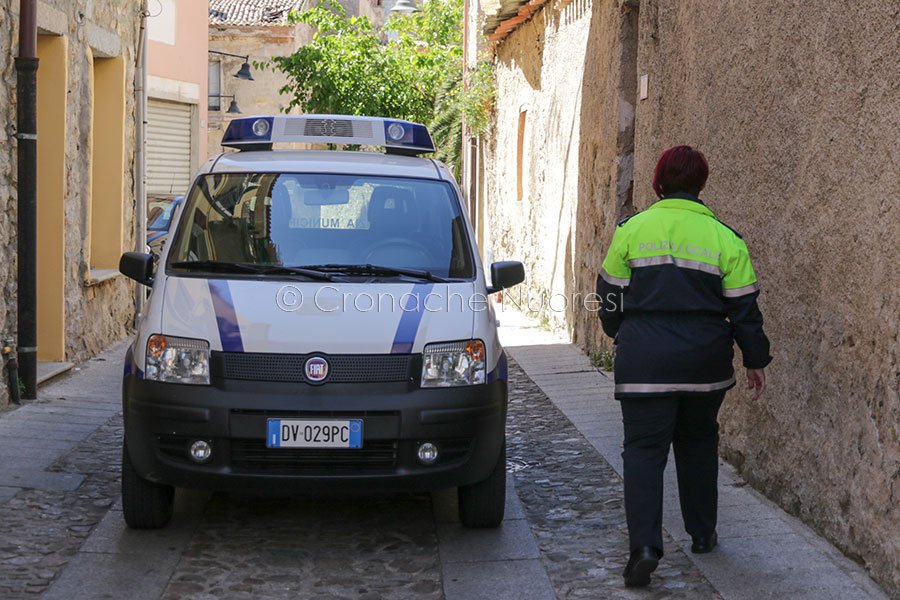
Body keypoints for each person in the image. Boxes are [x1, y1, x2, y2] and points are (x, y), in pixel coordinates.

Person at [596, 145, 772, 588]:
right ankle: (703, 533)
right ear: (701, 184)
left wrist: (622, 334)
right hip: (704, 365)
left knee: (643, 450)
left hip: (644, 363)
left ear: (658, 182)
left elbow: (608, 297)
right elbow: (745, 311)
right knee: (698, 442)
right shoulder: (725, 239)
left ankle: (644, 547)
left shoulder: (632, 231)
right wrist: (755, 359)